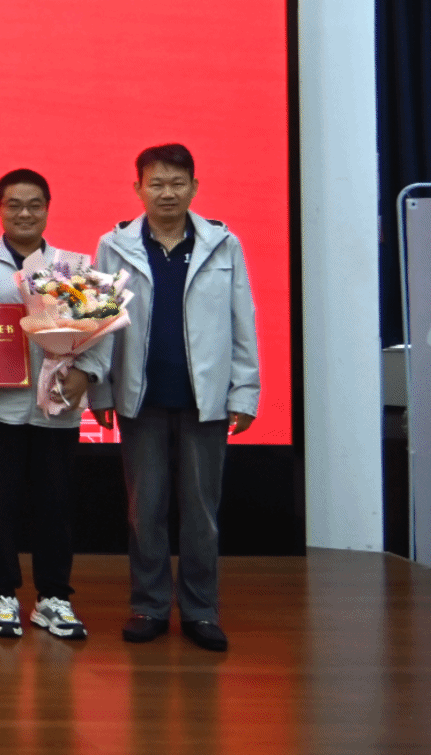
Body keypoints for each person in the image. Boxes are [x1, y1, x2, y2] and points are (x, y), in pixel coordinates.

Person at [91, 143, 258, 653]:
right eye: (157, 184)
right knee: (145, 510)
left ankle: (202, 611)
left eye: (177, 183)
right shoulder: (114, 245)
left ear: (194, 187)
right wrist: (100, 388)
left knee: (201, 513)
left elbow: (243, 321)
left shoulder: (222, 243)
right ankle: (149, 606)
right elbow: (98, 321)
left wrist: (245, 391)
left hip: (205, 400)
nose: (167, 193)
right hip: (140, 399)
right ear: (138, 188)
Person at [0, 169, 110, 641]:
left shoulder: (73, 265)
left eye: (34, 205)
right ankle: (2, 595)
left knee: (55, 505)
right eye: (14, 204)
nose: (24, 213)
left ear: (47, 209)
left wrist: (87, 374)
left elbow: (99, 327)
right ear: (0, 208)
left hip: (56, 405)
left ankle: (54, 598)